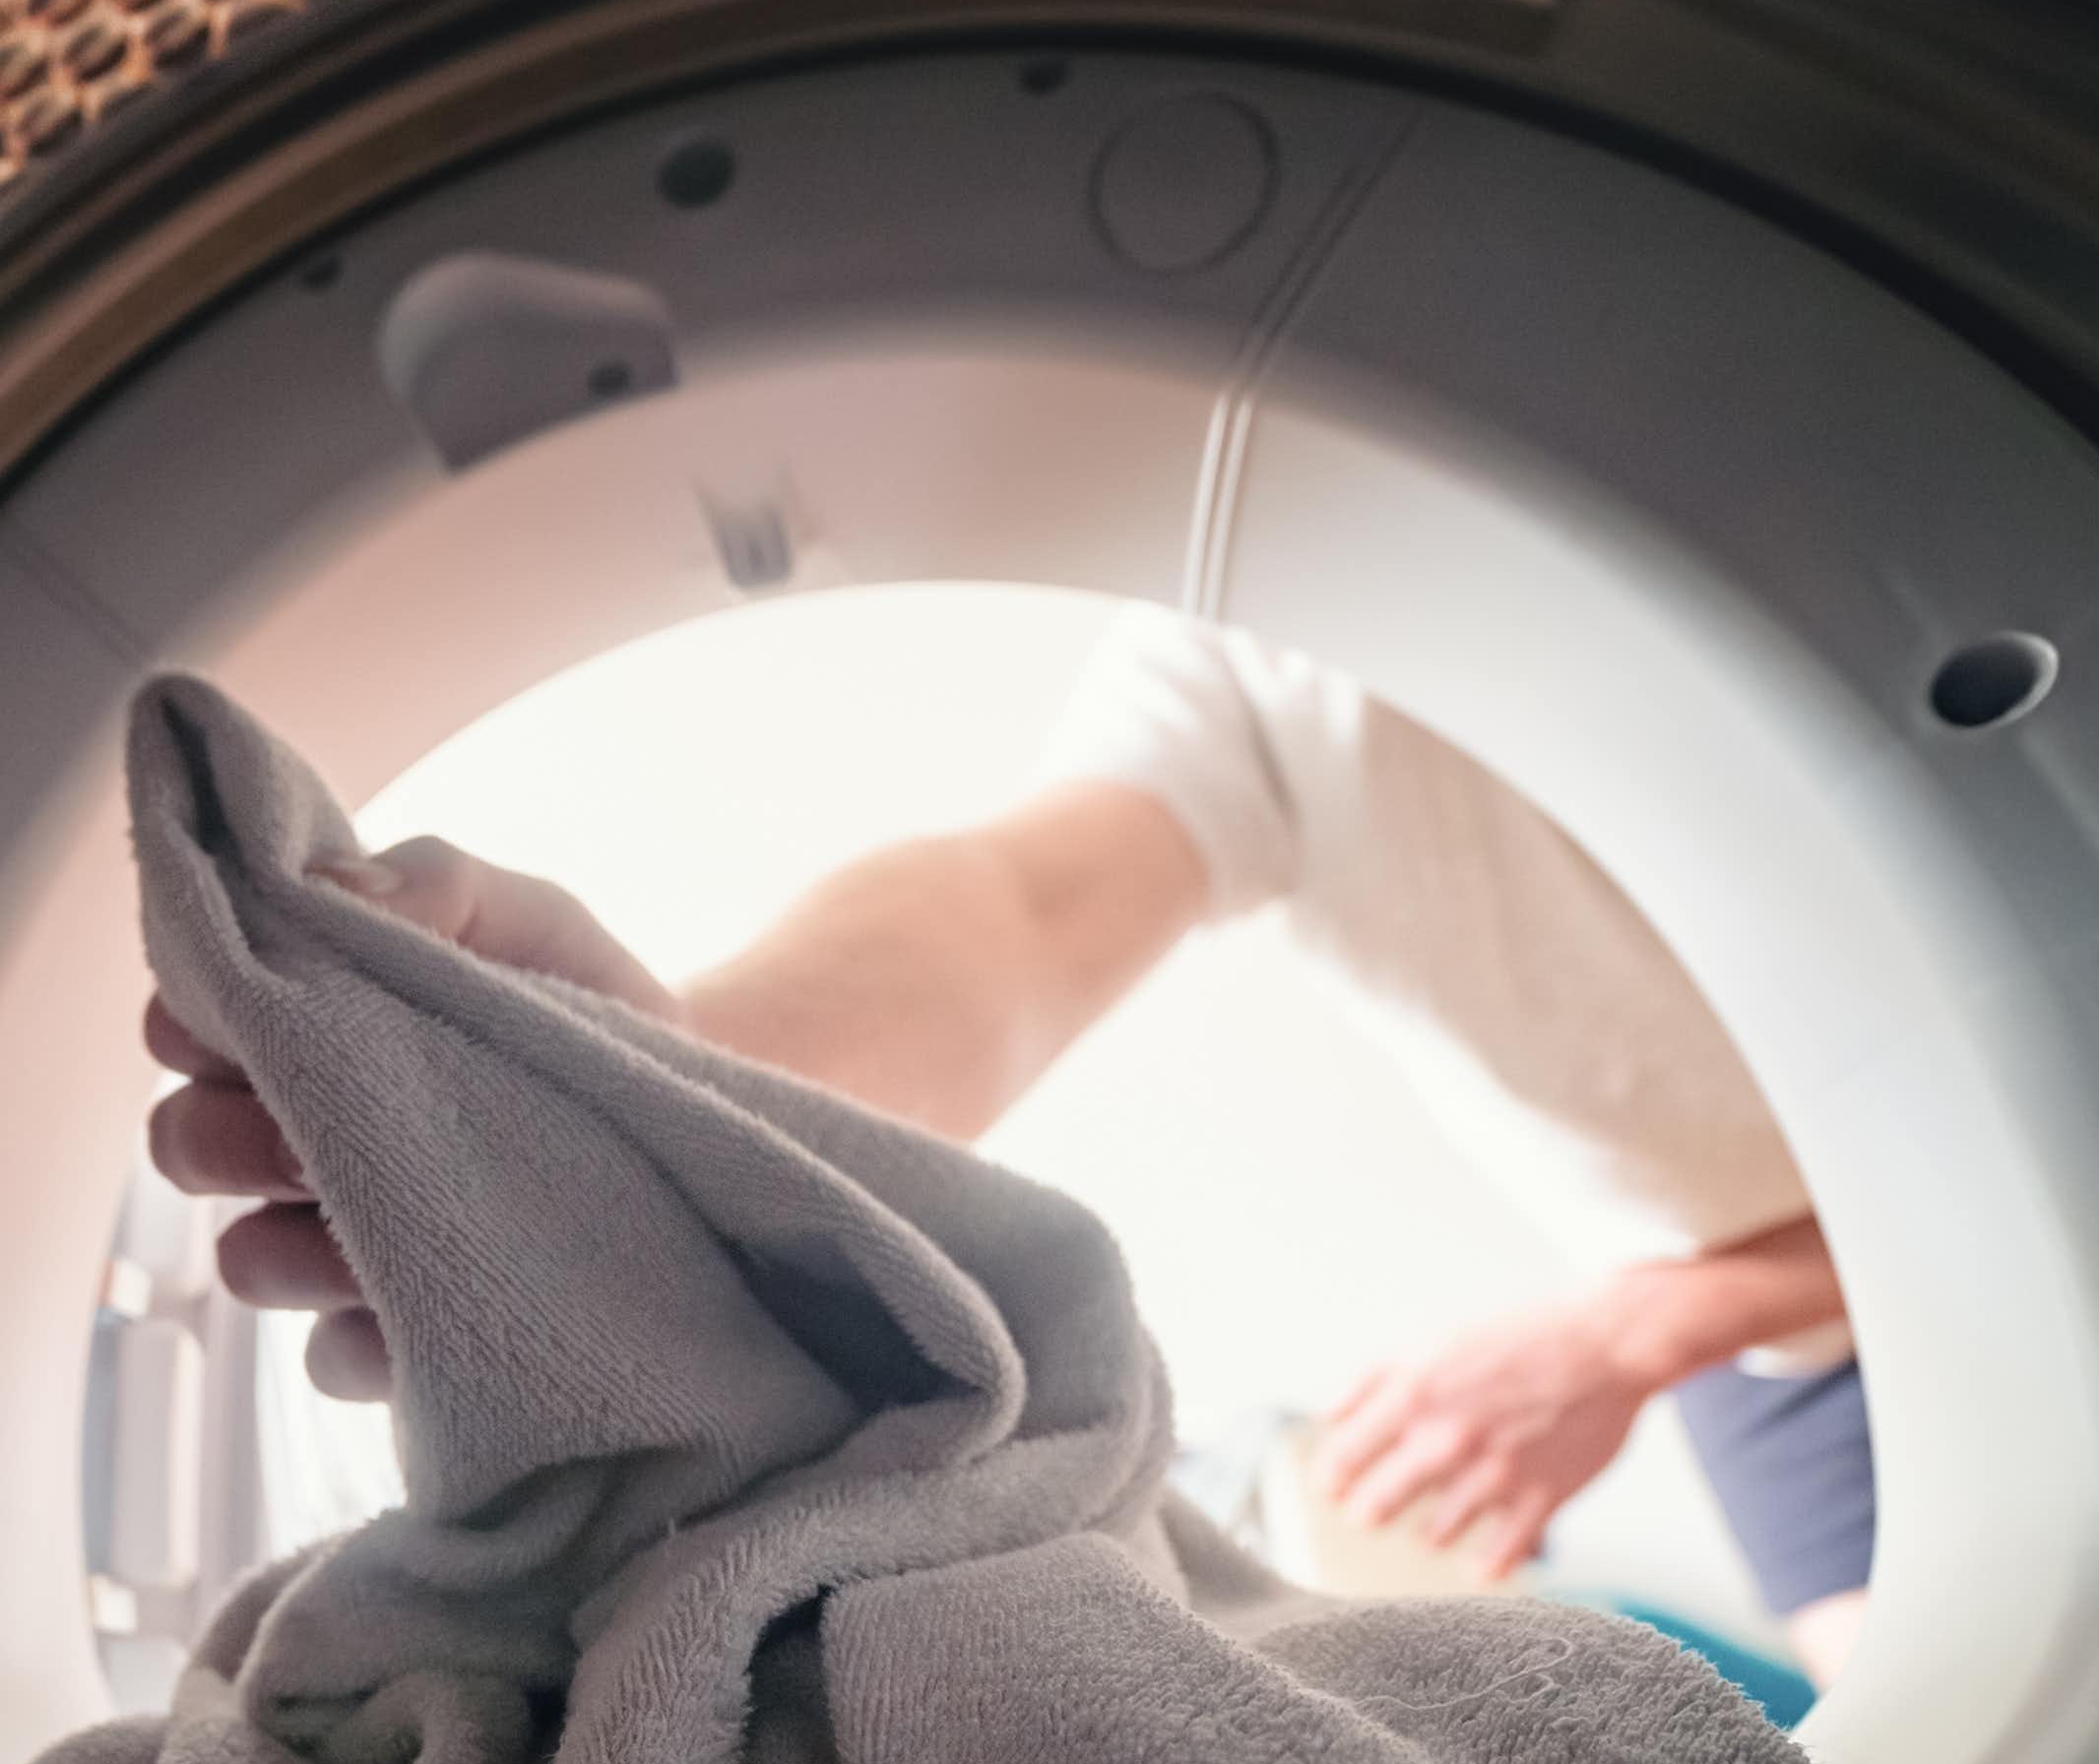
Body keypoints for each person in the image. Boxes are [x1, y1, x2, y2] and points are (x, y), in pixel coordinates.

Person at [146, 604, 1873, 1684]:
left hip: (1812, 1276)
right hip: (1779, 1358)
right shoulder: (1282, 634)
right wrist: (655, 1080)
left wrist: (1633, 1333)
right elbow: (1007, 920)